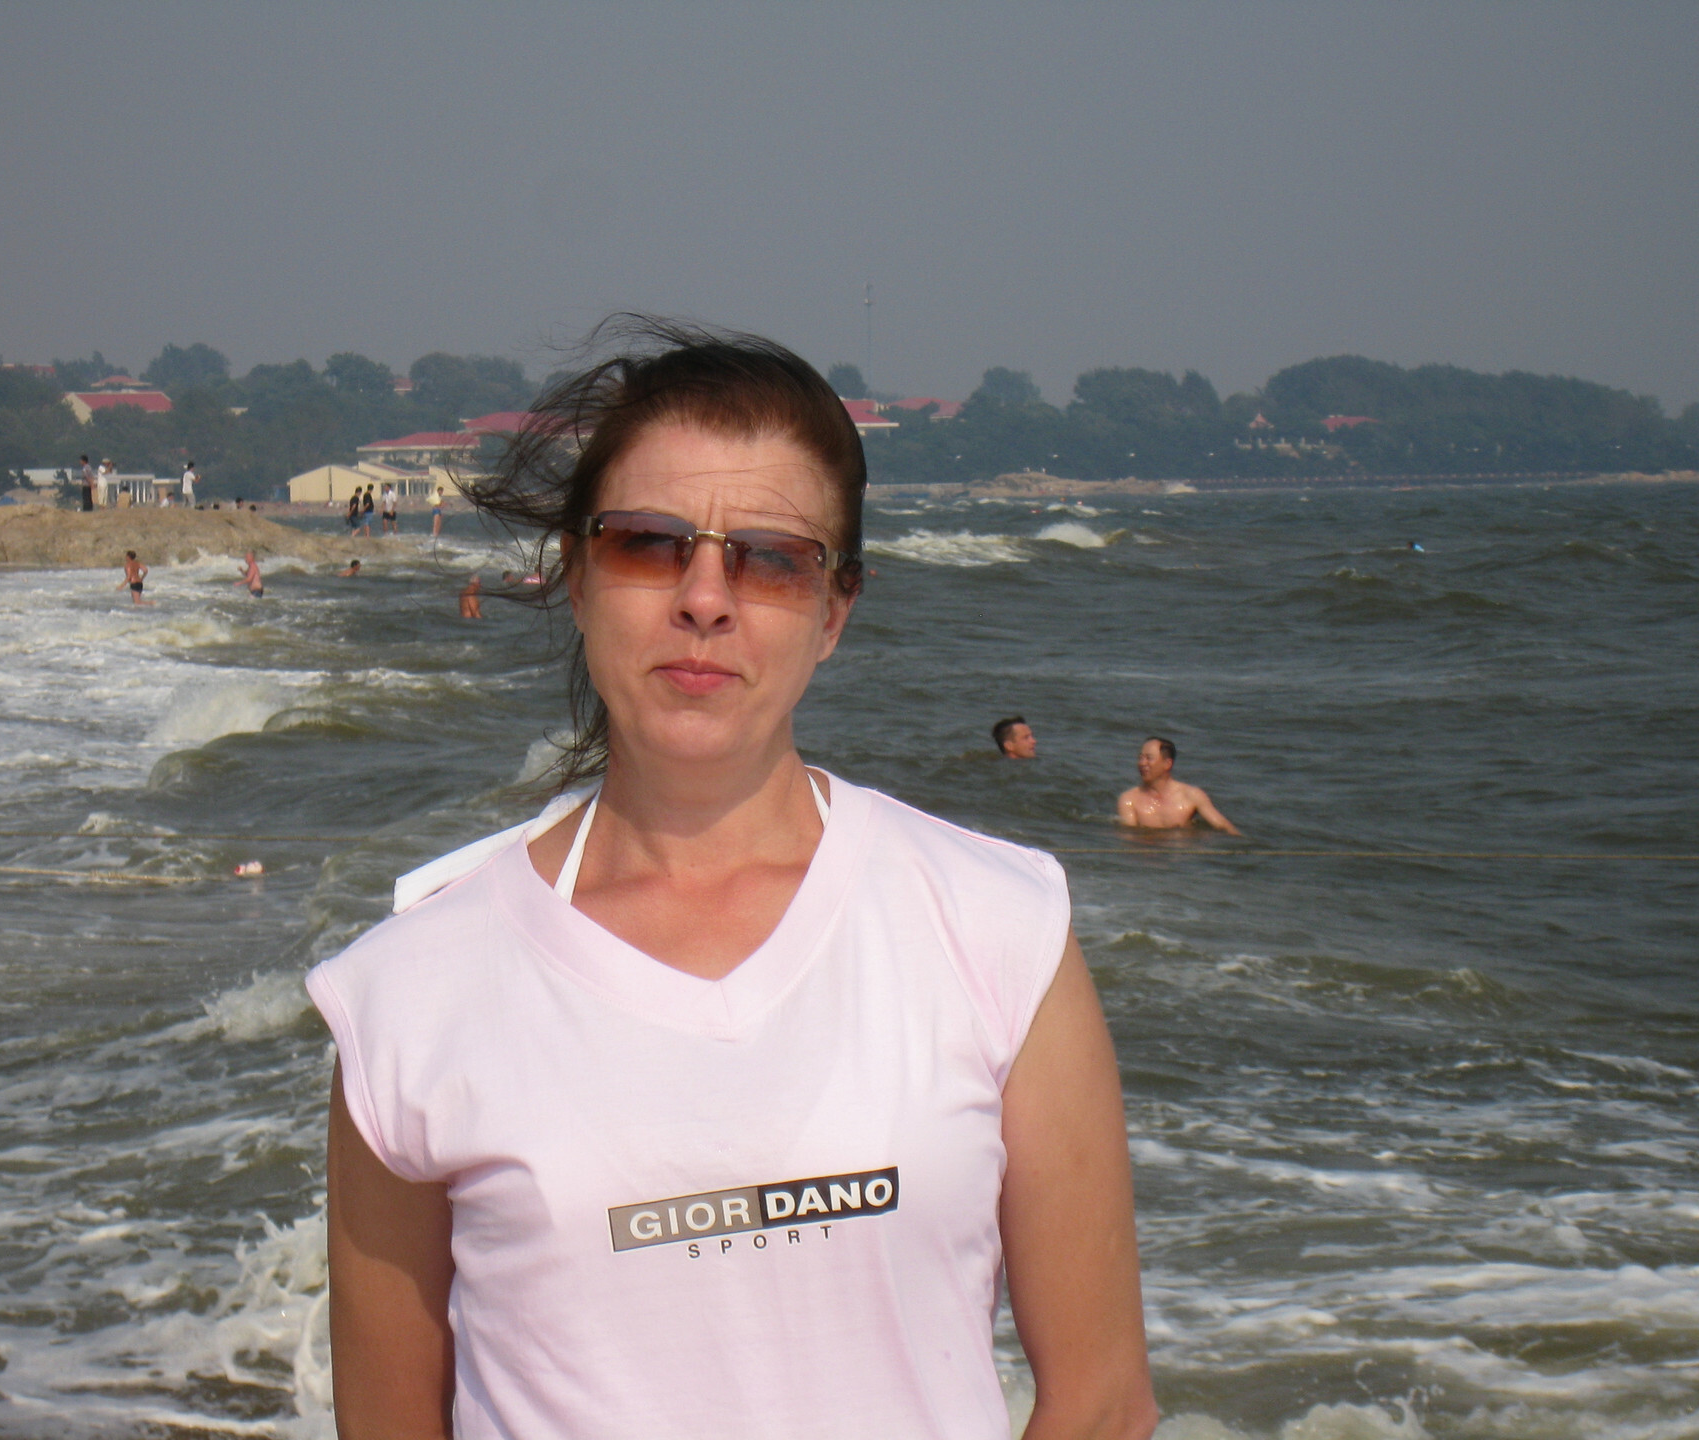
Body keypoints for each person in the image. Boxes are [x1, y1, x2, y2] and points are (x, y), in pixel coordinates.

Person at [307, 322, 1157, 1440]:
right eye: (649, 544)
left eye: (771, 558)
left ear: (834, 610)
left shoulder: (999, 926)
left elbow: (1102, 1402)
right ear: (575, 576)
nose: (705, 598)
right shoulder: (410, 995)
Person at [1117, 736, 1239, 834]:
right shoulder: (1129, 800)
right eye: (1140, 758)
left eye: (1149, 758)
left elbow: (1223, 826)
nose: (1142, 763)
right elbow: (1129, 837)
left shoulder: (1191, 796)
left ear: (1167, 764)